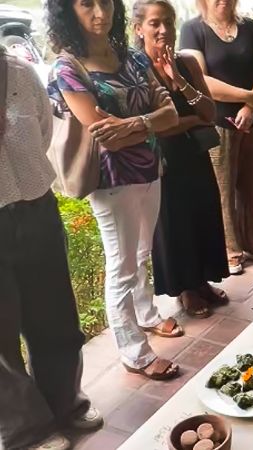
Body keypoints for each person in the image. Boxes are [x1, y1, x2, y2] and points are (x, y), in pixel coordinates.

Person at [47, 0, 183, 381]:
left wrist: (134, 124)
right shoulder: (68, 67)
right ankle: (134, 351)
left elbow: (170, 113)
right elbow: (102, 132)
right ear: (67, 11)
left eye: (105, 2)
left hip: (151, 169)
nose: (99, 13)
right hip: (111, 180)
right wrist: (149, 124)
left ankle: (148, 314)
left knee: (141, 252)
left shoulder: (132, 57)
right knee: (121, 265)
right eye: (86, 4)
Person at [0, 47, 102, 450]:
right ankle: (24, 430)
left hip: (36, 207)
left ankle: (66, 403)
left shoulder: (20, 73)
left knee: (56, 318)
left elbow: (43, 133)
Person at [133, 0, 230, 318]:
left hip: (194, 155)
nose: (164, 30)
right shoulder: (136, 70)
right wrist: (188, 120)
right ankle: (185, 288)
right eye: (154, 23)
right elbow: (158, 127)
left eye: (169, 22)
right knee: (175, 223)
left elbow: (210, 112)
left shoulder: (186, 62)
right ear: (138, 29)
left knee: (202, 213)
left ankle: (202, 281)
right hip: (162, 161)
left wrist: (179, 82)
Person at [180, 0, 253, 275]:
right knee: (224, 189)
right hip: (219, 121)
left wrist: (250, 107)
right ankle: (232, 252)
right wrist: (248, 97)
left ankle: (252, 243)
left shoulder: (250, 27)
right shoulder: (192, 30)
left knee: (252, 187)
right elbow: (202, 82)